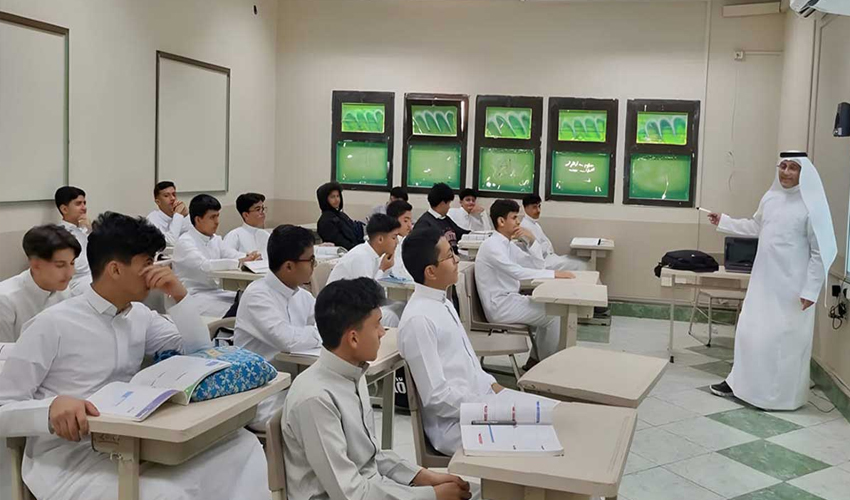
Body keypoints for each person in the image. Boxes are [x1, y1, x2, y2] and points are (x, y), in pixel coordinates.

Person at [0, 212, 269, 500]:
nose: (156, 271)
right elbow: (4, 405)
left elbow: (199, 352)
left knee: (241, 446)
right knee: (164, 494)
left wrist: (179, 296)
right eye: (148, 263)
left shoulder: (139, 315)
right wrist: (50, 409)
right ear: (115, 270)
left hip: (133, 440)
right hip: (70, 457)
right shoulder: (52, 324)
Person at [282, 277, 472, 500]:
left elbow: (371, 456)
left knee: (477, 492)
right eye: (377, 325)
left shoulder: (354, 372)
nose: (383, 332)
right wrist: (433, 496)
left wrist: (423, 477)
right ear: (353, 338)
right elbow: (350, 495)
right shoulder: (315, 399)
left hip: (372, 490)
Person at [706, 153, 836, 410]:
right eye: (783, 166)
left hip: (792, 289)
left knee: (781, 342)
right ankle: (741, 386)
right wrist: (725, 221)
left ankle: (776, 398)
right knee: (749, 333)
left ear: (804, 173)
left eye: (793, 168)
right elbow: (757, 227)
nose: (786, 172)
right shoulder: (771, 198)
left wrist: (811, 290)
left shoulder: (812, 206)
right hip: (762, 283)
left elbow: (819, 252)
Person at [398, 228, 503, 455]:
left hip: (479, 405)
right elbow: (437, 397)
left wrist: (498, 391)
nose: (457, 259)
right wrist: (489, 407)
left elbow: (471, 366)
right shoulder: (419, 320)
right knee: (539, 439)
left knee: (551, 418)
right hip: (455, 425)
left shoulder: (443, 302)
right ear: (430, 271)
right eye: (449, 256)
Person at [233, 224, 323, 430]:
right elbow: (287, 340)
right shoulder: (257, 295)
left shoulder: (301, 295)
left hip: (293, 384)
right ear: (289, 266)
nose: (314, 265)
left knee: (338, 399)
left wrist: (321, 330)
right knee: (322, 412)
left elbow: (329, 320)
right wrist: (320, 333)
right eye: (310, 260)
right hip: (261, 394)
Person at [476, 199, 575, 367]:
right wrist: (554, 274)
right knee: (554, 315)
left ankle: (536, 360)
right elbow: (517, 272)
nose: (518, 222)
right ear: (501, 221)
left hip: (510, 300)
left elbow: (537, 265)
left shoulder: (507, 244)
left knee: (553, 309)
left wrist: (532, 240)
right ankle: (546, 367)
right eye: (514, 217)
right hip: (500, 307)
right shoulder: (491, 246)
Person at [173, 194, 260, 317]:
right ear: (198, 220)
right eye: (212, 217)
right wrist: (239, 262)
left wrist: (249, 257)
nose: (217, 221)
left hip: (215, 292)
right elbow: (205, 266)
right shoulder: (185, 242)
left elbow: (231, 254)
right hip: (193, 296)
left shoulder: (215, 239)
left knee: (251, 300)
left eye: (218, 216)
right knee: (242, 311)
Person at [0, 225, 80, 342]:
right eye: (60, 265)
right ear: (36, 265)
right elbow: (4, 350)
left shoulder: (64, 291)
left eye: (72, 263)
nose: (70, 273)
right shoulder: (5, 300)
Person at [326, 214, 404, 327]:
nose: (396, 242)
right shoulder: (361, 257)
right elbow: (368, 296)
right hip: (341, 311)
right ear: (380, 239)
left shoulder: (373, 255)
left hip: (356, 306)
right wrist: (382, 269)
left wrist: (385, 268)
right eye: (394, 237)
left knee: (401, 306)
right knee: (391, 316)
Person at [520, 194, 590, 271]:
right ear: (525, 208)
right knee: (581, 264)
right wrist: (545, 246)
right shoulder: (525, 227)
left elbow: (545, 245)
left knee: (583, 261)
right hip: (544, 262)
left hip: (550, 257)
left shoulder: (535, 224)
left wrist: (545, 246)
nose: (538, 210)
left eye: (539, 206)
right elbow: (536, 251)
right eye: (534, 207)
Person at [413, 183, 469, 255]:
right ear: (442, 203)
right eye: (448, 203)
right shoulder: (424, 224)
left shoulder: (445, 219)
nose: (449, 207)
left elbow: (462, 234)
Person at [54, 186, 92, 294]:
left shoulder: (86, 229)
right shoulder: (60, 234)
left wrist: (91, 231)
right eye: (78, 204)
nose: (84, 208)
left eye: (84, 203)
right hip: (77, 281)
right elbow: (79, 267)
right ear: (64, 209)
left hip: (93, 276)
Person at [316, 181, 365, 250]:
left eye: (338, 196)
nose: (336, 200)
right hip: (342, 253)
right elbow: (341, 243)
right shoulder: (325, 221)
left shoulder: (341, 215)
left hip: (355, 249)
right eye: (332, 197)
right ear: (324, 200)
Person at [146, 181, 191, 246]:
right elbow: (169, 244)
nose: (173, 198)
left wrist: (186, 216)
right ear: (158, 202)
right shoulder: (152, 219)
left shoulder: (182, 215)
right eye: (166, 196)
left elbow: (194, 237)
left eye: (174, 194)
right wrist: (177, 215)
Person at [384, 199, 414, 281]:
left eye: (411, 221)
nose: (410, 225)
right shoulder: (384, 243)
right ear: (393, 220)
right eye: (405, 221)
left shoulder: (407, 242)